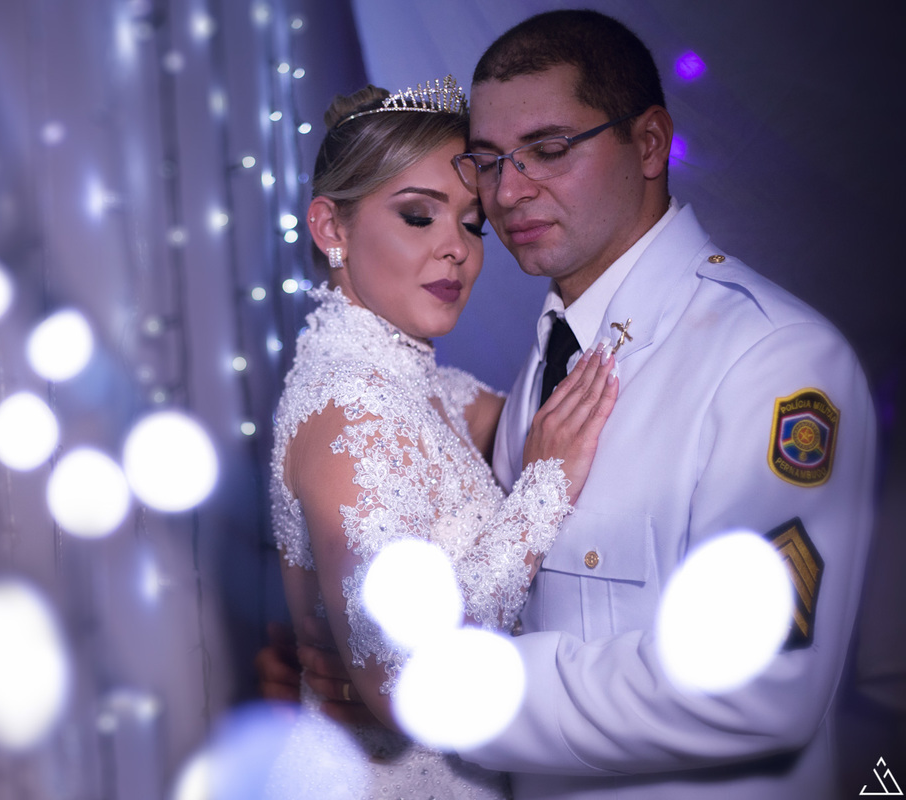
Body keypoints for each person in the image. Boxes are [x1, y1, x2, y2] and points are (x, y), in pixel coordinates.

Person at [262, 10, 878, 800]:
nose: (511, 191)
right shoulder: (542, 367)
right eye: (489, 163)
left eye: (549, 150)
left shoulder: (773, 361)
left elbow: (755, 681)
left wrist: (433, 687)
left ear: (650, 143)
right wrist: (347, 656)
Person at [266, 79, 619, 798]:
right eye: (420, 217)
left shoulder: (417, 386)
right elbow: (404, 683)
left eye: (470, 223)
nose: (457, 250)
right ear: (332, 229)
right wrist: (543, 490)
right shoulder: (352, 412)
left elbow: (509, 415)